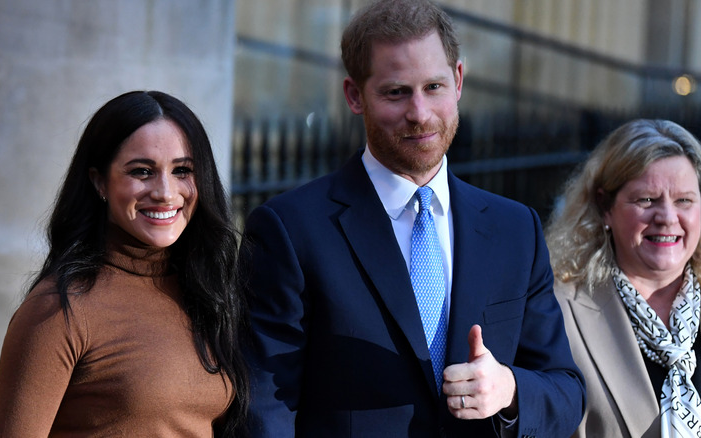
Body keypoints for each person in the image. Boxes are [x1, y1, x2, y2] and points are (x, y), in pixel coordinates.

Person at [238, 1, 585, 436]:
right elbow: (265, 409)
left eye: (434, 87)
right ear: (354, 96)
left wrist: (509, 389)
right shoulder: (289, 230)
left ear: (458, 81)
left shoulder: (516, 230)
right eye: (396, 92)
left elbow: (566, 392)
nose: (420, 114)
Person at [0, 90, 249, 437]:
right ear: (99, 182)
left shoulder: (207, 292)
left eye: (182, 170)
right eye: (142, 171)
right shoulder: (58, 311)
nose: (166, 192)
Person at [546, 119, 701, 437]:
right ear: (605, 207)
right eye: (646, 200)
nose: (667, 217)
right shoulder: (557, 318)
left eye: (684, 200)